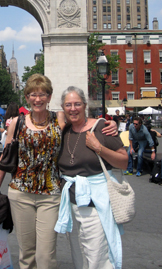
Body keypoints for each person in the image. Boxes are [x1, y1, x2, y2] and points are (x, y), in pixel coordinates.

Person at [0, 74, 117, 269]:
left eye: (42, 94)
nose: (38, 99)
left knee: (46, 255)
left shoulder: (59, 119)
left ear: (49, 97)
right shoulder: (17, 123)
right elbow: (5, 157)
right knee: (26, 253)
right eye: (33, 94)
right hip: (20, 193)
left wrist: (108, 123)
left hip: (50, 196)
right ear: (26, 97)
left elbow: (82, 120)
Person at [55, 86, 128, 269]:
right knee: (78, 255)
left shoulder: (102, 128)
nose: (73, 108)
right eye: (68, 105)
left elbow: (124, 162)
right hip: (71, 204)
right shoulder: (63, 131)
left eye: (77, 104)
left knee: (97, 256)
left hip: (96, 204)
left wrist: (99, 148)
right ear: (63, 108)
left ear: (85, 105)